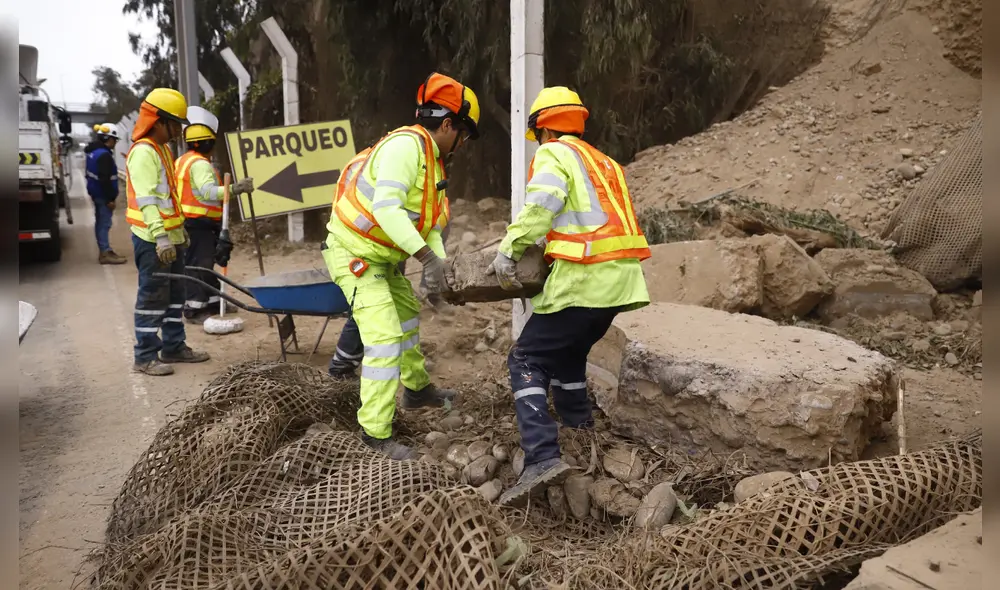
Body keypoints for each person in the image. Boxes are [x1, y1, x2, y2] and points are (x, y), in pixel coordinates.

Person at [491, 87, 652, 506]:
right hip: (618, 287)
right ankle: (581, 432)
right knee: (568, 356)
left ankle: (543, 456)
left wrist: (509, 248)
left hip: (583, 279)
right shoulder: (606, 163)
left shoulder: (553, 154)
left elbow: (542, 204)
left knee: (526, 358)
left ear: (542, 128)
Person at [321, 72, 479, 459]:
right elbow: (386, 208)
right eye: (465, 135)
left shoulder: (432, 161)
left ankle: (416, 389)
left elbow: (431, 223)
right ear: (447, 125)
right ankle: (374, 434)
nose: (464, 144)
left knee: (407, 315)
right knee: (385, 337)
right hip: (355, 256)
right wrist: (425, 258)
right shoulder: (406, 148)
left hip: (381, 257)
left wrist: (436, 263)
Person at [125, 88, 211, 376]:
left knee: (176, 295)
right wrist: (161, 237)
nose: (178, 132)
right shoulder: (143, 153)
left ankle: (173, 347)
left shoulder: (163, 149)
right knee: (152, 298)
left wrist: (179, 230)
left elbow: (170, 197)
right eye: (174, 124)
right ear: (158, 121)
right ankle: (145, 356)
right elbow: (146, 200)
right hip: (152, 240)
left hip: (171, 237)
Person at [326, 222, 452, 379]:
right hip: (364, 244)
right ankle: (342, 367)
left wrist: (438, 259)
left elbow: (434, 227)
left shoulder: (432, 200)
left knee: (400, 305)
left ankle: (403, 365)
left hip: (387, 242)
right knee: (370, 307)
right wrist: (429, 258)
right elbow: (392, 217)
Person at [175, 106, 254, 323]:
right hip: (198, 223)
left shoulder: (183, 160)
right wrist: (235, 189)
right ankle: (195, 309)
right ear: (208, 142)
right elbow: (208, 192)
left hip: (190, 223)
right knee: (200, 267)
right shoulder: (200, 165)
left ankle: (213, 301)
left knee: (205, 265)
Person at [85, 123, 127, 264]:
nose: (115, 143)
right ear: (107, 139)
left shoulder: (93, 152)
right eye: (114, 140)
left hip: (96, 193)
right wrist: (110, 199)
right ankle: (105, 253)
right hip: (103, 196)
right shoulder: (104, 156)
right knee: (104, 223)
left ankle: (105, 250)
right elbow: (105, 179)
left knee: (101, 223)